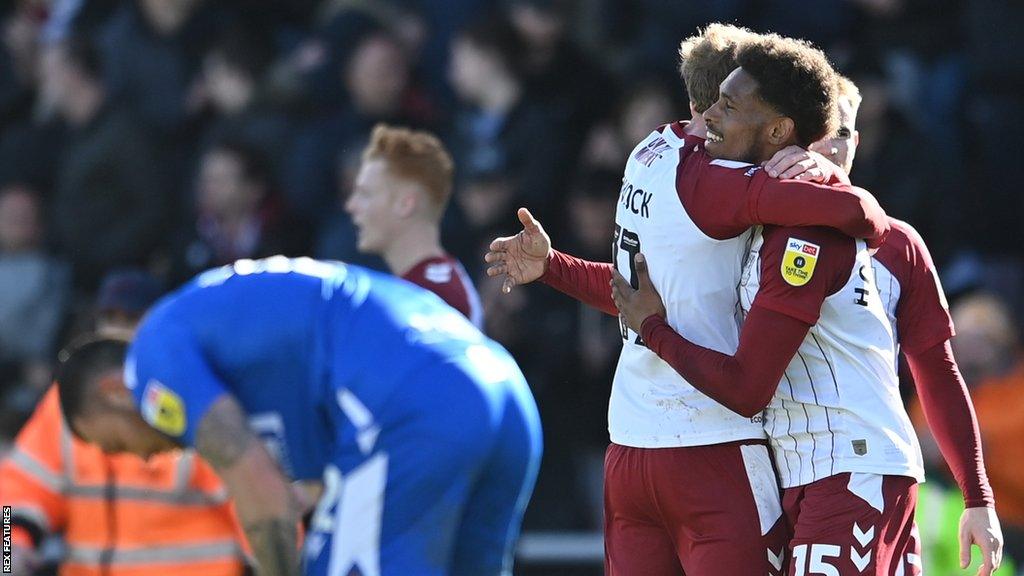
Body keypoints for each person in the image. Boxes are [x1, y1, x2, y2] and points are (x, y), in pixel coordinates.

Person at [486, 25, 887, 575]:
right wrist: (835, 181)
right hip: (711, 448)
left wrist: (555, 268)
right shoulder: (721, 181)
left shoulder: (648, 151)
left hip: (629, 448)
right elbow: (859, 218)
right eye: (725, 101)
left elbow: (643, 292)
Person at [610, 60, 1003, 574]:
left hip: (858, 465)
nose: (826, 151)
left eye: (840, 135)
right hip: (789, 471)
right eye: (816, 138)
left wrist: (978, 496)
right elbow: (663, 287)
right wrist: (553, 267)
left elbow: (938, 373)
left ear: (858, 142)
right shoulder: (753, 227)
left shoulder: (897, 245)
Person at [55, 256, 542, 576]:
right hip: (501, 385)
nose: (139, 459)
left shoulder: (151, 364)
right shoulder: (243, 358)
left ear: (114, 392)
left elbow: (262, 493)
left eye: (116, 446)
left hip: (408, 405)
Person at [0, 268, 251, 576]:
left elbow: (256, 508)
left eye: (131, 319)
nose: (117, 330)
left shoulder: (194, 394)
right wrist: (11, 552)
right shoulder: (70, 399)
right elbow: (17, 491)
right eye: (110, 318)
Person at [345, 123, 483, 326]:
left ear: (405, 204)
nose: (351, 206)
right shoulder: (428, 286)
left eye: (365, 194)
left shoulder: (434, 298)